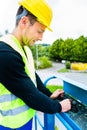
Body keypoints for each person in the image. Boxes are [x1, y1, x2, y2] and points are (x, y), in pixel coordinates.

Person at [0, 0, 71, 129]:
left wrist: (48, 94)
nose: (41, 38)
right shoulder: (4, 53)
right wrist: (59, 106)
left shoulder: (24, 48)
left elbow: (32, 76)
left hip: (26, 120)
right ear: (24, 22)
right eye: (40, 31)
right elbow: (29, 94)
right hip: (10, 125)